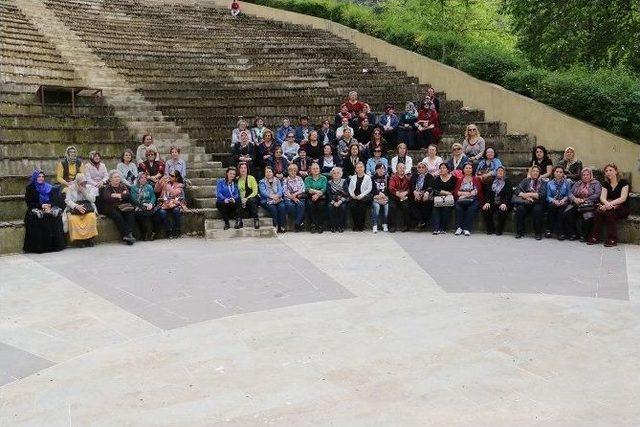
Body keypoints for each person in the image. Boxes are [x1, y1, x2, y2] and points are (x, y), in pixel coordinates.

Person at [23, 169, 66, 253]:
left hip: (48, 208)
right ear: (35, 177)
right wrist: (41, 205)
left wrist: (49, 205)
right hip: (34, 209)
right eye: (39, 176)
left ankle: (54, 246)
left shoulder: (49, 187)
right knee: (37, 218)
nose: (41, 178)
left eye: (43, 176)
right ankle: (39, 248)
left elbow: (54, 200)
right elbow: (29, 203)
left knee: (55, 216)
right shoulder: (30, 188)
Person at [588, 163, 630, 247]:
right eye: (606, 171)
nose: (608, 172)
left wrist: (608, 205)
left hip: (622, 208)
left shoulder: (623, 182)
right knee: (598, 212)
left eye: (610, 170)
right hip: (608, 206)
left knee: (608, 212)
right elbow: (602, 198)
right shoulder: (605, 184)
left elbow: (623, 198)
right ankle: (594, 237)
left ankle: (612, 239)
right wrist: (607, 205)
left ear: (616, 171)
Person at [562, 167, 601, 241]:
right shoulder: (578, 183)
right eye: (583, 175)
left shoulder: (596, 183)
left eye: (587, 174)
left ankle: (584, 235)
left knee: (588, 215)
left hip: (589, 204)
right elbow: (570, 193)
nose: (585, 176)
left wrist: (584, 200)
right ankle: (573, 233)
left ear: (591, 175)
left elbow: (597, 195)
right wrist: (575, 199)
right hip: (577, 203)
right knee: (567, 212)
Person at [102, 170, 136, 245]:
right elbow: (107, 198)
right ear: (110, 179)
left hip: (123, 206)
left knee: (130, 214)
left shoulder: (123, 186)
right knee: (118, 216)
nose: (117, 179)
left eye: (118, 177)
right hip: (111, 207)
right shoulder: (107, 188)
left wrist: (116, 195)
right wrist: (121, 195)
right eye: (115, 177)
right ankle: (128, 235)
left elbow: (128, 195)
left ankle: (128, 235)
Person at [64, 173, 99, 246]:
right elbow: (67, 200)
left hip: (87, 208)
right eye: (81, 183)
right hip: (75, 209)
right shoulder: (71, 188)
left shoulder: (89, 187)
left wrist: (84, 191)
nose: (83, 184)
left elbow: (93, 200)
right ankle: (79, 240)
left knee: (91, 217)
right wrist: (76, 206)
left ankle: (89, 239)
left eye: (84, 182)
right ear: (77, 182)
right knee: (73, 219)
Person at [513, 165, 546, 240]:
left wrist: (529, 194)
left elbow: (542, 195)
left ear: (539, 173)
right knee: (520, 209)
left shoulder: (543, 182)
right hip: (526, 202)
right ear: (531, 172)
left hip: (537, 202)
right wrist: (525, 196)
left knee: (537, 210)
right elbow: (517, 190)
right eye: (533, 171)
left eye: (537, 171)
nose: (535, 173)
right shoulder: (526, 180)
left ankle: (538, 233)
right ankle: (520, 232)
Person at [481, 166, 512, 235]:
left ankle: (499, 229)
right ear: (496, 172)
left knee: (503, 210)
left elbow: (509, 194)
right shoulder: (491, 181)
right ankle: (490, 229)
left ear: (504, 173)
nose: (500, 172)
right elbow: (487, 193)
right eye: (498, 171)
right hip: (492, 201)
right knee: (485, 209)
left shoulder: (507, 182)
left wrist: (504, 203)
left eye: (502, 171)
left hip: (502, 202)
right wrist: (487, 202)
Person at [454, 163, 483, 236]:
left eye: (470, 168)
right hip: (461, 199)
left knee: (471, 209)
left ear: (472, 169)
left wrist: (466, 195)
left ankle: (466, 228)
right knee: (458, 208)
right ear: (463, 170)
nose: (468, 169)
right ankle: (459, 228)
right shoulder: (460, 179)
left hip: (473, 199)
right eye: (466, 168)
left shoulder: (475, 179)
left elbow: (477, 190)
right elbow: (456, 191)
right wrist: (463, 195)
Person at [155, 170, 186, 238]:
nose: (169, 177)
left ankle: (177, 230)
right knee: (162, 212)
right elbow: (156, 190)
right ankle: (168, 230)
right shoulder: (165, 182)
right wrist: (160, 181)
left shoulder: (179, 185)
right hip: (164, 204)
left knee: (176, 211)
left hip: (175, 204)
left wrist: (167, 185)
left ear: (176, 178)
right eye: (169, 174)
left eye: (172, 176)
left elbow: (174, 193)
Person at [545, 166, 571, 240]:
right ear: (554, 172)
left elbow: (568, 195)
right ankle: (549, 229)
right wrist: (554, 201)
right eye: (557, 172)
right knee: (551, 207)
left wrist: (563, 200)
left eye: (561, 172)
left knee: (561, 210)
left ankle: (560, 232)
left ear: (563, 174)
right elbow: (548, 196)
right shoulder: (549, 183)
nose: (558, 173)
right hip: (553, 201)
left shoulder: (567, 183)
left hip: (563, 201)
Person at [130, 172, 158, 241]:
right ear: (138, 179)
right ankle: (147, 234)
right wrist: (144, 204)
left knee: (157, 214)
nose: (144, 179)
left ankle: (150, 234)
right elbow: (134, 199)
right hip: (139, 206)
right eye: (142, 177)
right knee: (144, 214)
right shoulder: (134, 187)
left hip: (149, 206)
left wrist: (151, 203)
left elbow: (153, 196)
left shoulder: (149, 186)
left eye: (145, 177)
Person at [259, 167, 287, 233]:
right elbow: (263, 192)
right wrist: (272, 196)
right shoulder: (262, 182)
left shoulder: (277, 180)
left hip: (278, 199)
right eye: (267, 172)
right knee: (273, 208)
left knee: (282, 207)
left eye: (270, 172)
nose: (268, 173)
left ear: (272, 173)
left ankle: (282, 226)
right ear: (265, 173)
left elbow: (280, 190)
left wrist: (277, 196)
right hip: (266, 200)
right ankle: (276, 226)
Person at [432, 163, 456, 234]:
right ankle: (436, 228)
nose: (442, 169)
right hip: (438, 198)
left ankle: (443, 228)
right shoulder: (437, 178)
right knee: (435, 208)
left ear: (448, 169)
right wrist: (445, 192)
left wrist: (449, 193)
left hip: (449, 199)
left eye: (444, 168)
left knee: (446, 208)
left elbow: (454, 190)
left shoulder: (453, 178)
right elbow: (434, 190)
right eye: (440, 168)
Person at [348, 162, 372, 231]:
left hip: (363, 197)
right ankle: (356, 224)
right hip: (354, 197)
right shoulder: (353, 177)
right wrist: (352, 195)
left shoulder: (368, 177)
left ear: (364, 168)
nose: (359, 169)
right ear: (355, 169)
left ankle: (361, 225)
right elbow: (350, 188)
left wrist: (361, 196)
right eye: (358, 167)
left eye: (361, 167)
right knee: (353, 206)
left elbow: (369, 188)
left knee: (362, 207)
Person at [410, 162, 435, 229]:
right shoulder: (414, 175)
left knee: (427, 203)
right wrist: (415, 192)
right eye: (419, 167)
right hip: (415, 194)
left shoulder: (430, 176)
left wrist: (426, 193)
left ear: (426, 168)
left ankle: (422, 222)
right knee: (411, 203)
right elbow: (411, 185)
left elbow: (430, 186)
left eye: (423, 167)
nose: (421, 169)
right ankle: (421, 221)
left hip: (425, 194)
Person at [236, 162, 260, 230]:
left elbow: (255, 191)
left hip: (252, 198)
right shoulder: (237, 179)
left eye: (245, 168)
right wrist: (242, 199)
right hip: (242, 199)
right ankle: (239, 221)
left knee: (251, 200)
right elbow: (236, 191)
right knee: (237, 200)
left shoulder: (251, 178)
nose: (243, 169)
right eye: (241, 168)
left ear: (247, 169)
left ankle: (256, 220)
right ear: (239, 169)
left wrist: (246, 199)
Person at [304, 163, 327, 233]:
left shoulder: (323, 178)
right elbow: (307, 189)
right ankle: (313, 224)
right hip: (310, 196)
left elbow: (324, 189)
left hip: (321, 197)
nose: (315, 170)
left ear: (319, 170)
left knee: (321, 206)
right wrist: (317, 192)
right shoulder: (307, 178)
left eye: (317, 168)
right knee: (310, 205)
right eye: (313, 168)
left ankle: (320, 225)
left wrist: (317, 195)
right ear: (310, 170)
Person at [389, 163, 412, 232]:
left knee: (406, 207)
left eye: (403, 168)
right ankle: (392, 226)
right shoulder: (393, 177)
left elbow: (410, 188)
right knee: (392, 206)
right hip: (394, 197)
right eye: (400, 167)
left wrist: (405, 193)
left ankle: (406, 226)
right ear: (396, 169)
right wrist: (398, 194)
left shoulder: (407, 178)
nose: (402, 169)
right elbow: (391, 187)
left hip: (404, 197)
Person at [283, 163, 306, 231]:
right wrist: (292, 197)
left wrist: (295, 195)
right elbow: (285, 191)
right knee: (290, 206)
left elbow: (302, 189)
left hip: (299, 196)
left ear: (296, 171)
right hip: (289, 197)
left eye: (294, 170)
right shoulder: (285, 180)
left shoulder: (299, 178)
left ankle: (297, 224)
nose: (292, 172)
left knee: (301, 205)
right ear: (288, 171)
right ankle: (300, 221)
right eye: (291, 170)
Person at [326, 167, 350, 233]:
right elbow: (329, 194)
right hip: (332, 200)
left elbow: (346, 194)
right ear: (331, 174)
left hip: (342, 200)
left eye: (338, 173)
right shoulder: (329, 183)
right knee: (330, 207)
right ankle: (332, 226)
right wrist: (334, 202)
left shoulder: (344, 181)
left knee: (343, 207)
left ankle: (341, 226)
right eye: (334, 173)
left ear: (341, 174)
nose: (336, 174)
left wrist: (339, 202)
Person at [371, 163, 390, 233]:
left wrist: (385, 197)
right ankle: (375, 225)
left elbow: (389, 189)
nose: (381, 170)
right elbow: (372, 189)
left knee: (386, 206)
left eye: (382, 168)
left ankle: (384, 224)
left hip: (385, 198)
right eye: (379, 168)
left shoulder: (387, 178)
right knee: (376, 207)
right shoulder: (372, 178)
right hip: (376, 198)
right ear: (376, 170)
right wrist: (378, 195)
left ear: (385, 170)